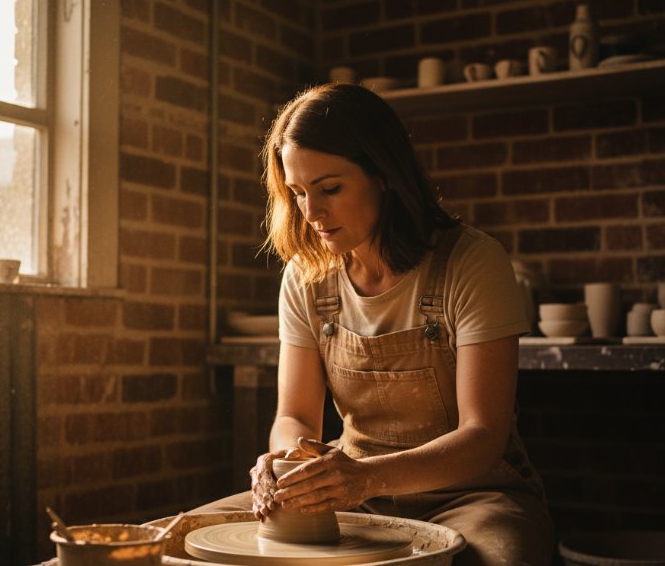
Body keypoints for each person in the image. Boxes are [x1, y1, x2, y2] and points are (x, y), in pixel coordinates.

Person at [194, 83, 553, 566]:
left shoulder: (471, 261)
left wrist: (367, 477)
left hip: (472, 496)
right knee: (180, 539)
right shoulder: (307, 276)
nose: (312, 213)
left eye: (330, 189)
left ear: (383, 173)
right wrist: (286, 464)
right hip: (352, 496)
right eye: (298, 193)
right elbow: (295, 417)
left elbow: (482, 436)